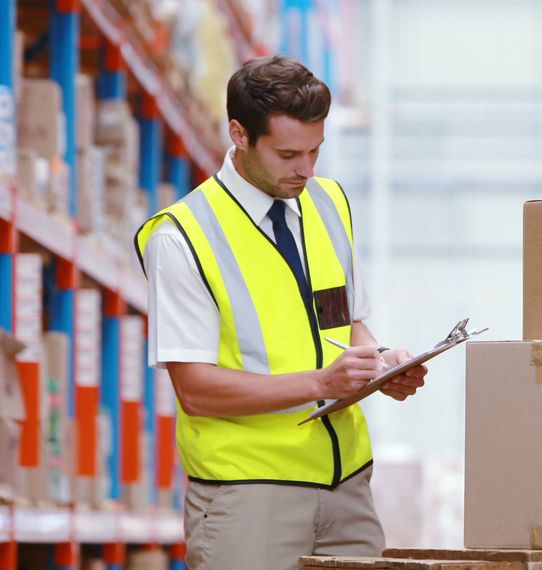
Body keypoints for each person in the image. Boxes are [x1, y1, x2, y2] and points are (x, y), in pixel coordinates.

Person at [134, 55, 428, 570]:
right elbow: (196, 391)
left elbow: (344, 322)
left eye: (316, 151)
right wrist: (321, 383)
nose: (306, 170)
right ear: (239, 134)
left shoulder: (329, 204)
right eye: (289, 153)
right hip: (250, 497)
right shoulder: (181, 236)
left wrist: (381, 364)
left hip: (349, 489)